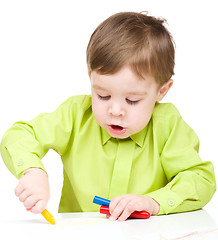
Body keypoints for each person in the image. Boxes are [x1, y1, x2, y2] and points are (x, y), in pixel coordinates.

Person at [0, 12, 216, 222]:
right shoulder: (76, 114)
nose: (115, 110)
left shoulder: (167, 124)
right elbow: (20, 135)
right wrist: (33, 171)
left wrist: (153, 202)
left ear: (162, 91)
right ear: (90, 78)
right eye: (103, 95)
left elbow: (201, 180)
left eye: (132, 100)